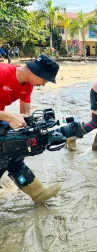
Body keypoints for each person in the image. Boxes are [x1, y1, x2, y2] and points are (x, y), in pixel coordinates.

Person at [0, 54, 61, 204]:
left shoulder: (27, 86)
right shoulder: (2, 73)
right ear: (37, 73)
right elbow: (10, 117)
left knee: (14, 149)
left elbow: (24, 113)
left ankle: (38, 193)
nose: (44, 84)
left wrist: (29, 125)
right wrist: (9, 117)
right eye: (45, 79)